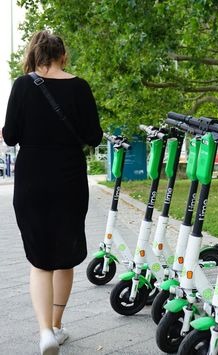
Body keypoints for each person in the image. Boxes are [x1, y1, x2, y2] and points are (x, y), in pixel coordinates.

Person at [2, 30, 103, 355]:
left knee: (40, 261)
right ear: (63, 55)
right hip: (69, 178)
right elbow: (94, 137)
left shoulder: (21, 86)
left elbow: (11, 137)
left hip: (32, 178)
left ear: (35, 55)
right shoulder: (80, 86)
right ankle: (57, 325)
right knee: (64, 255)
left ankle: (44, 331)